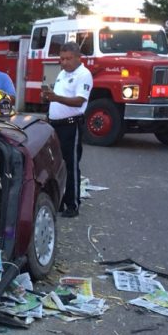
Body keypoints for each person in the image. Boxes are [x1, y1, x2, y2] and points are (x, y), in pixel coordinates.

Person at [41, 41, 93, 218]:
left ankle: (73, 204)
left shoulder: (84, 75)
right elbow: (59, 98)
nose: (64, 62)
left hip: (71, 126)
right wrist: (49, 102)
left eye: (68, 59)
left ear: (78, 58)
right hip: (55, 124)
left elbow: (79, 101)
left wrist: (56, 98)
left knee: (71, 165)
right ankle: (61, 201)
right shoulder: (62, 73)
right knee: (57, 164)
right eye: (62, 59)